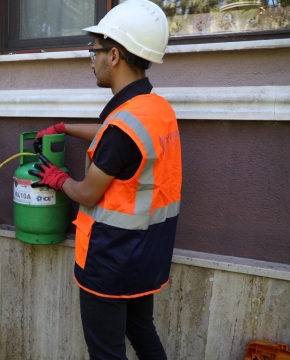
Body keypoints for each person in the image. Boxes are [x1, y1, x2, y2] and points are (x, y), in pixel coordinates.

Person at [29, 1, 181, 359]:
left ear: (113, 55)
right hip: (148, 254)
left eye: (93, 51)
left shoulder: (124, 126)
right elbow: (116, 141)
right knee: (143, 331)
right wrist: (65, 127)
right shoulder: (155, 109)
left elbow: (88, 193)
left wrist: (56, 178)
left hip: (112, 260)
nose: (90, 59)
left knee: (106, 352)